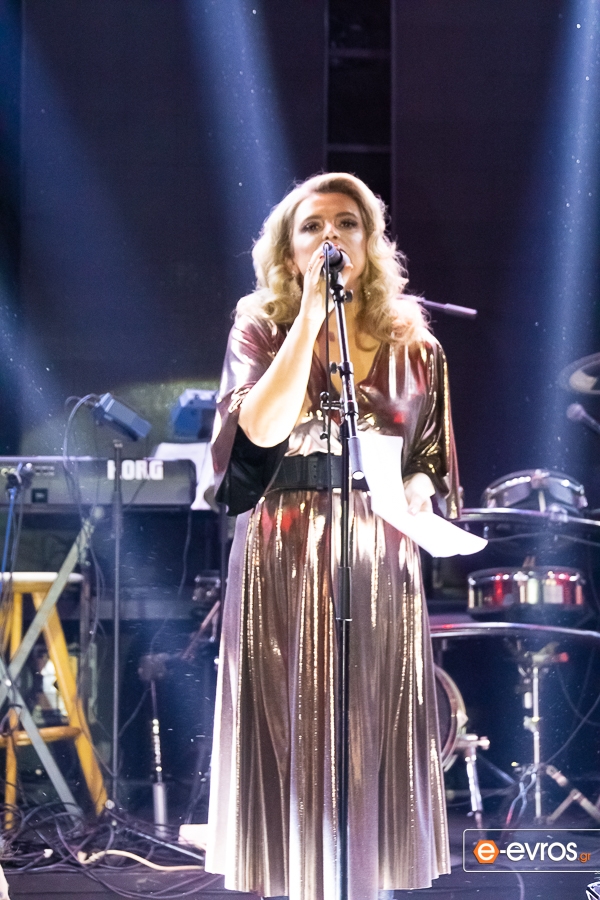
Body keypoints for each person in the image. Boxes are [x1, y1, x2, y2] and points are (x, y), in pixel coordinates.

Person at [205, 172, 460, 900]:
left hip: (378, 546)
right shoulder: (259, 325)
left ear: (370, 242)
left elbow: (430, 460)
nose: (330, 237)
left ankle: (364, 883)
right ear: (289, 251)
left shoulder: (417, 345)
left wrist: (414, 494)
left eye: (346, 223)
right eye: (311, 227)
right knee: (288, 718)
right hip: (282, 541)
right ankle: (293, 883)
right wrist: (312, 317)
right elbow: (259, 428)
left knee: (368, 720)